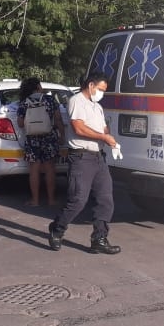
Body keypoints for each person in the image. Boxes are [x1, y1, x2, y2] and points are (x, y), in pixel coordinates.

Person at [47, 71, 120, 255]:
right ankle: (57, 228)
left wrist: (109, 137)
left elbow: (103, 127)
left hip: (98, 157)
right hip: (81, 158)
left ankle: (99, 238)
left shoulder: (97, 106)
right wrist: (103, 136)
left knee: (106, 199)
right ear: (91, 86)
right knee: (78, 200)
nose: (102, 93)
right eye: (101, 89)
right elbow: (78, 127)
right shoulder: (76, 101)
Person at [16, 77, 65, 207]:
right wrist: (62, 136)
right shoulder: (50, 100)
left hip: (32, 139)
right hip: (49, 138)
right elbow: (58, 119)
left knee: (34, 169)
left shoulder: (24, 103)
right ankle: (51, 200)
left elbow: (20, 124)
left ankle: (35, 200)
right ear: (38, 86)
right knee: (50, 169)